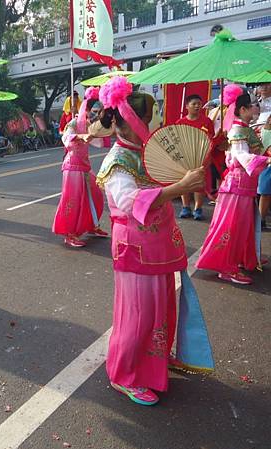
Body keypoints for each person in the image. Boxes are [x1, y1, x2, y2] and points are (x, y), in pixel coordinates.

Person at [96, 76, 206, 405]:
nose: (154, 124)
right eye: (147, 120)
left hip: (155, 245)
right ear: (129, 122)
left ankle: (155, 357)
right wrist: (179, 188)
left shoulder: (143, 153)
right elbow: (130, 203)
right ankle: (125, 374)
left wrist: (185, 176)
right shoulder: (117, 161)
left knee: (160, 306)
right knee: (138, 313)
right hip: (134, 246)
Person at [196, 85, 271, 285]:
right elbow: (241, 156)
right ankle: (226, 267)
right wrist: (266, 161)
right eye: (254, 105)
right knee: (233, 227)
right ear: (243, 110)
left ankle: (245, 258)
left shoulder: (245, 128)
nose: (257, 108)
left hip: (244, 185)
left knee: (245, 225)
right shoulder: (238, 130)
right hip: (237, 186)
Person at [52, 86, 108, 248]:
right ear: (87, 108)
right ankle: (69, 233)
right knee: (72, 200)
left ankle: (91, 225)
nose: (96, 114)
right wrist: (80, 135)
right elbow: (66, 137)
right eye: (94, 110)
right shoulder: (75, 122)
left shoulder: (92, 124)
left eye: (98, 111)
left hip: (84, 166)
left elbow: (99, 139)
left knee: (96, 194)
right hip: (72, 167)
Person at [175, 94, 215, 220]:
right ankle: (185, 207)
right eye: (194, 104)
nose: (197, 106)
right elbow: (177, 141)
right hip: (185, 158)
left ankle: (198, 208)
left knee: (199, 183)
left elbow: (211, 139)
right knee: (184, 182)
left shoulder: (207, 121)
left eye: (199, 103)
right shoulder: (180, 123)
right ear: (187, 106)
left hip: (202, 157)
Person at [256, 83, 271, 229]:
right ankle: (260, 219)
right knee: (264, 189)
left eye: (268, 85)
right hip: (264, 156)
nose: (264, 88)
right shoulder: (255, 103)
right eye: (262, 86)